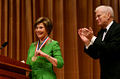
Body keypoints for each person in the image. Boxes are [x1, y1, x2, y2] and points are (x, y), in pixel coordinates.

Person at [78, 5, 120, 79]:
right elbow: (96, 54)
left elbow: (112, 49)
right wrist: (87, 42)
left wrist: (92, 38)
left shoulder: (118, 29)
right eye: (96, 17)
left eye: (99, 16)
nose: (96, 19)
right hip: (105, 75)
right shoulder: (101, 32)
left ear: (108, 15)